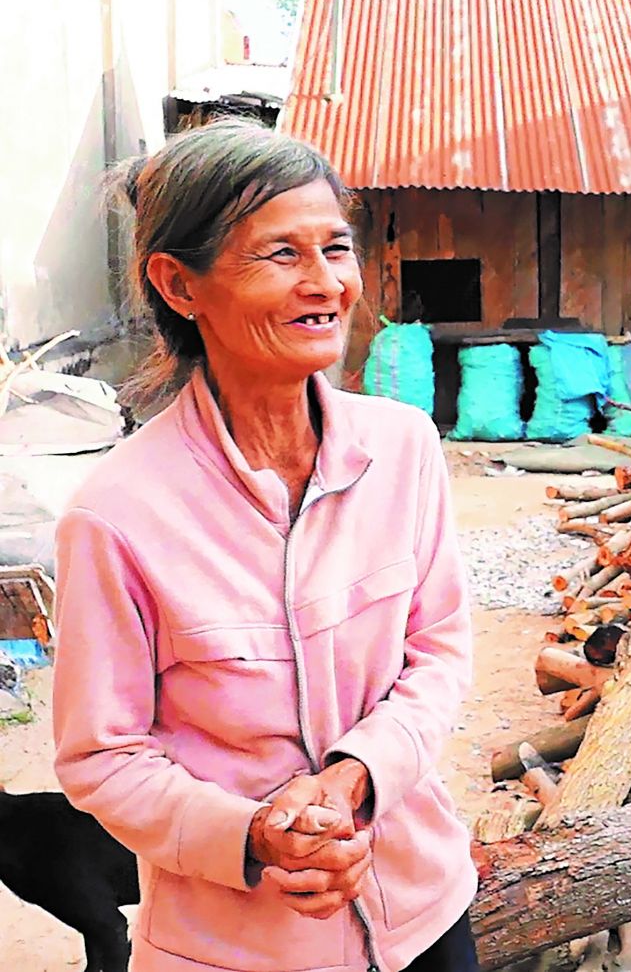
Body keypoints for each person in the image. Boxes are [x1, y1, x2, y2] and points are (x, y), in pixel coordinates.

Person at [50, 118, 480, 972]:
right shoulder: (116, 514)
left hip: (421, 915)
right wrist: (253, 836)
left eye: (337, 248)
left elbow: (439, 649)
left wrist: (352, 779)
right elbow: (101, 755)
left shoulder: (401, 447)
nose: (325, 285)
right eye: (280, 255)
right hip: (234, 945)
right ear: (179, 285)